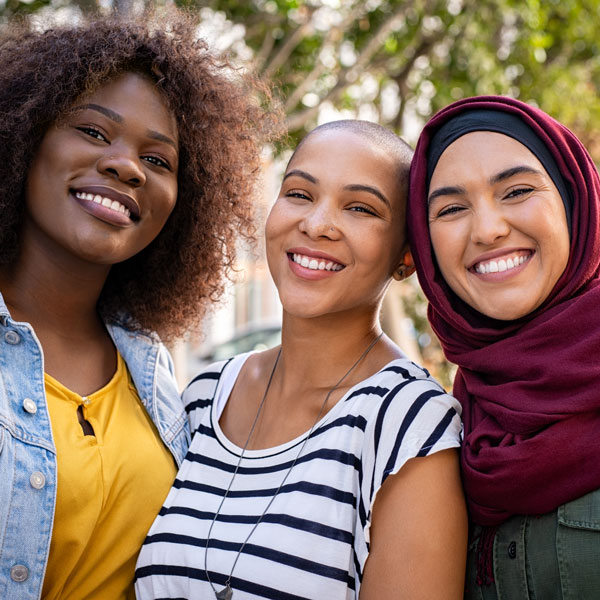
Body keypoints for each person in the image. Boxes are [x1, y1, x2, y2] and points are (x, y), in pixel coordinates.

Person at [0, 12, 277, 600]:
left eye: (158, 160)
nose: (126, 165)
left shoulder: (153, 378)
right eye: (94, 132)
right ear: (23, 137)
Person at [135, 120, 467, 600]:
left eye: (360, 208)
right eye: (299, 194)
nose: (316, 224)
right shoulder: (206, 395)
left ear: (408, 256)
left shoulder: (409, 423)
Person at [407, 95, 600, 599]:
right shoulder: (441, 423)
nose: (488, 229)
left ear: (573, 200)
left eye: (516, 191)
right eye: (451, 208)